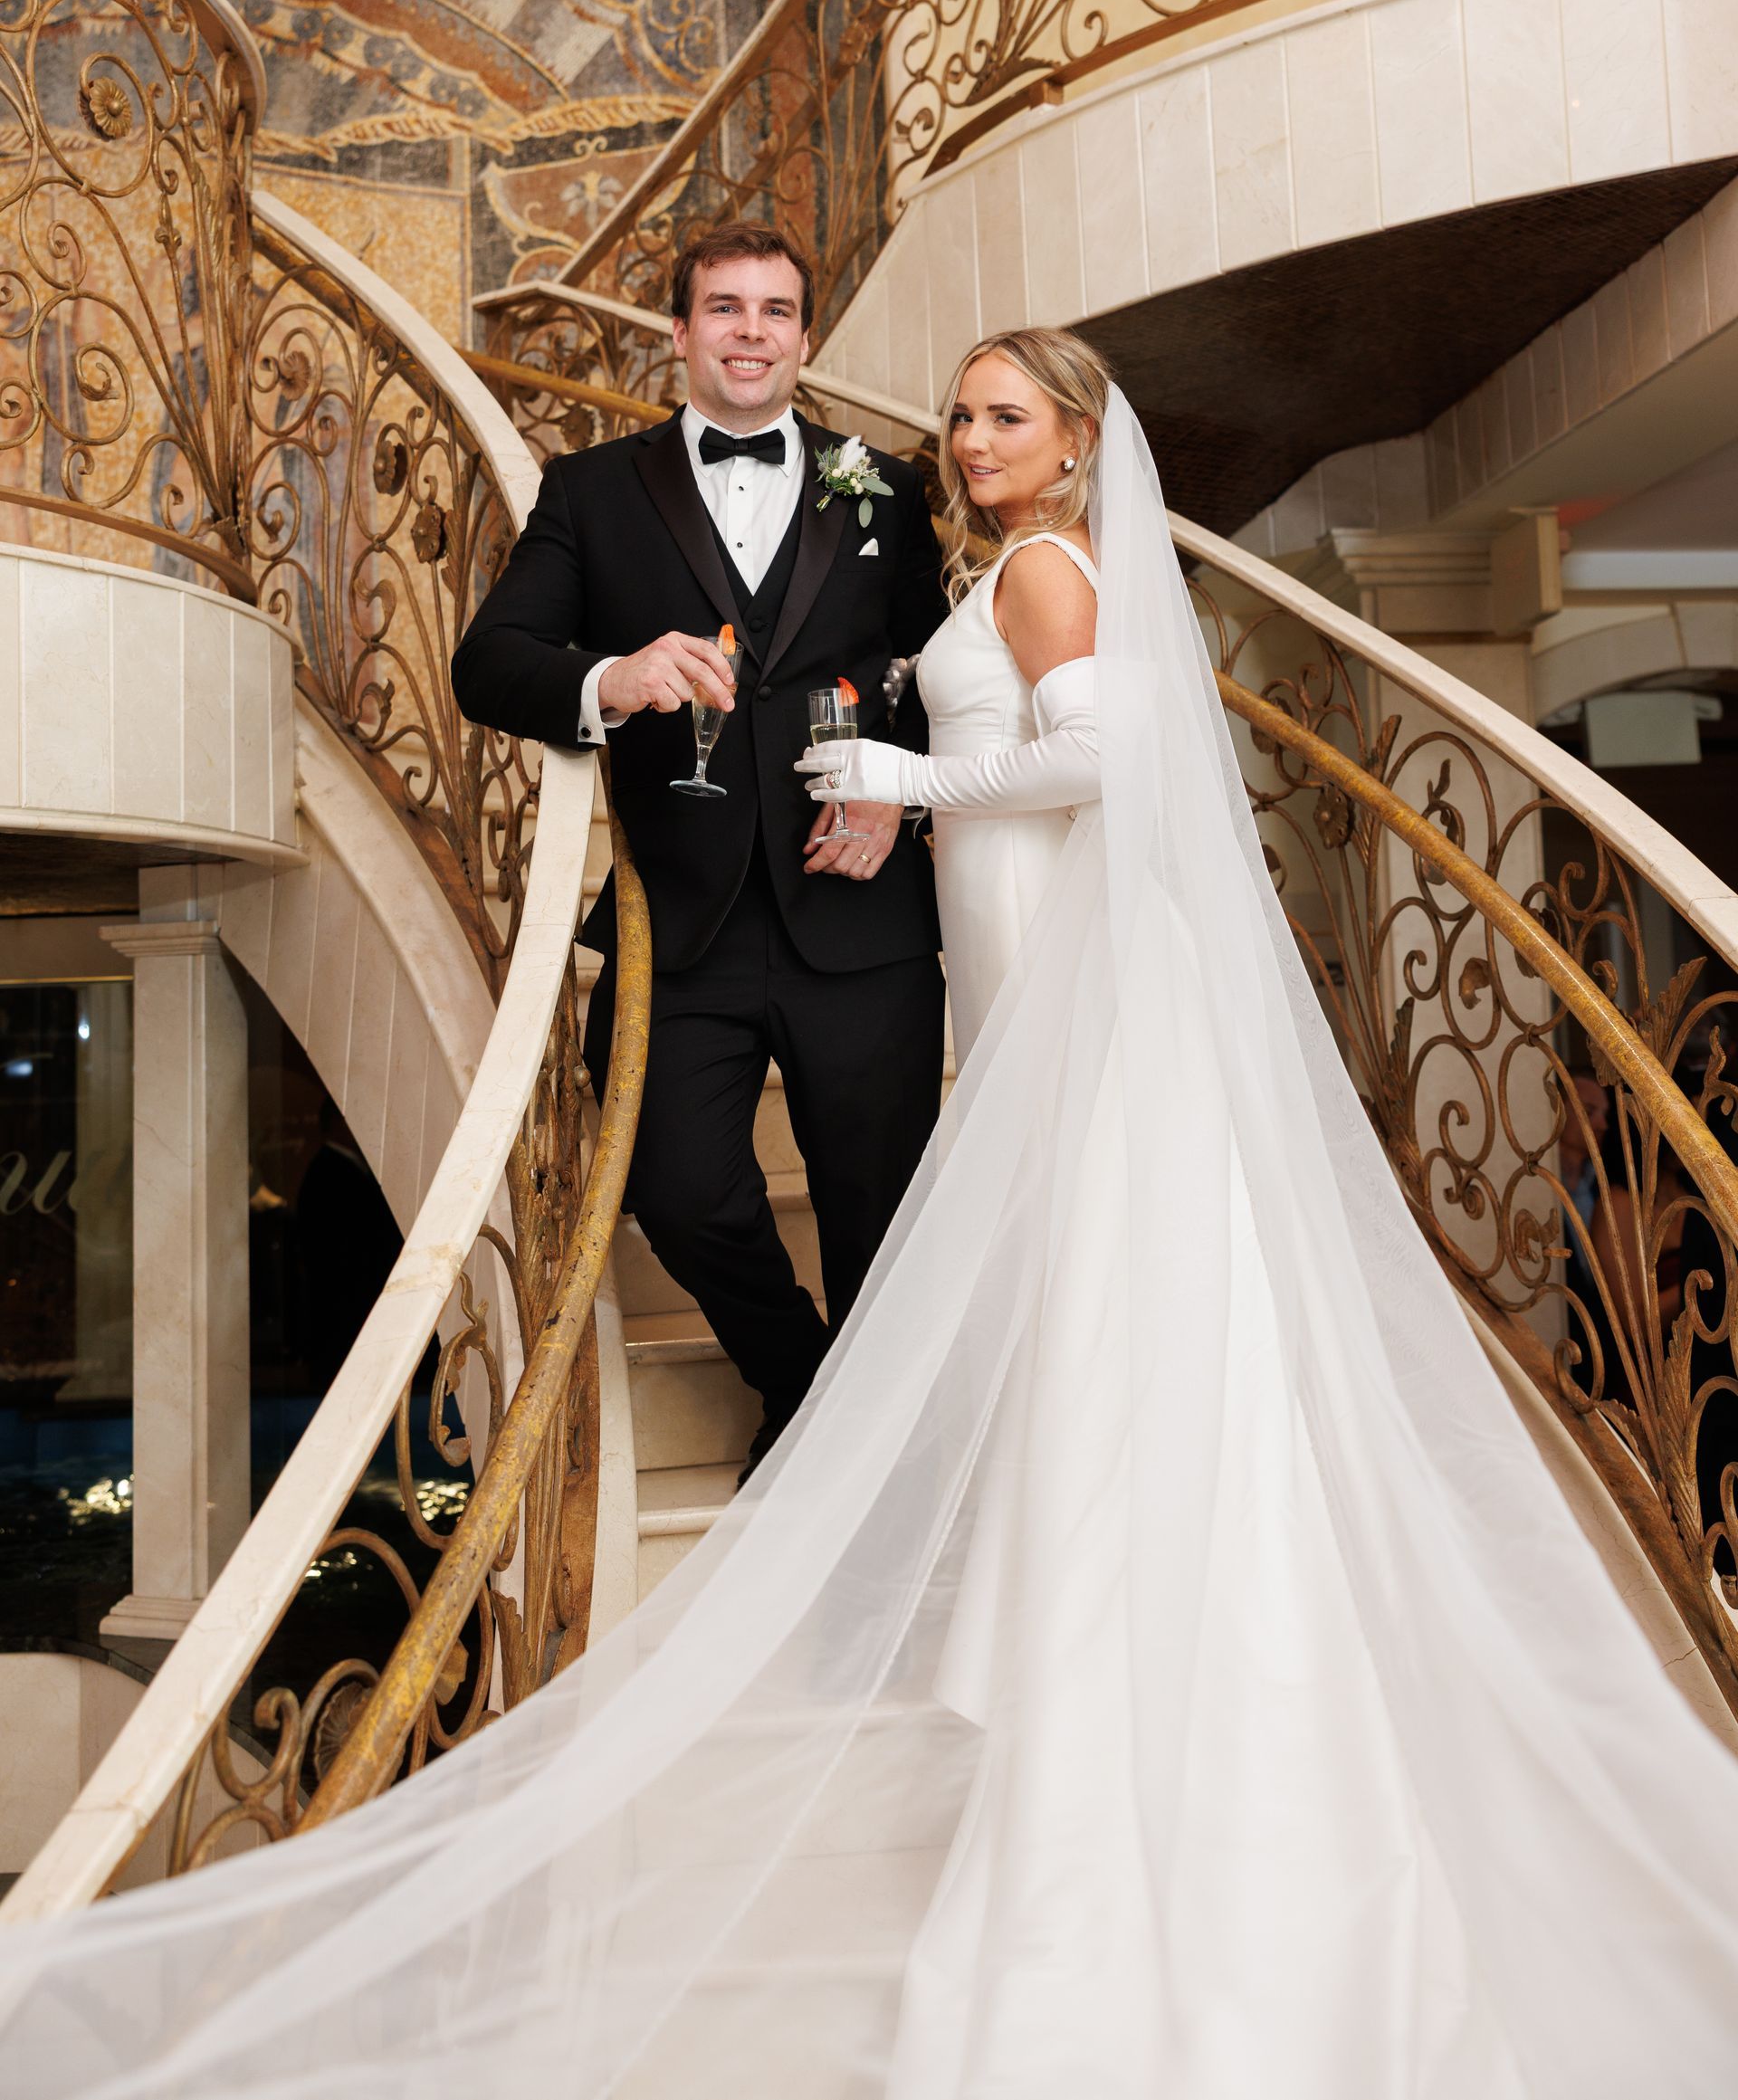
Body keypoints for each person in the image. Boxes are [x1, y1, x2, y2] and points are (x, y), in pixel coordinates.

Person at [15, 338, 1738, 2100]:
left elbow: (1108, 772)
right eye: (968, 415)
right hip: (1023, 996)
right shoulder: (998, 574)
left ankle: (1169, 1687)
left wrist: (913, 793)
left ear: (1075, 445)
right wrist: (887, 804)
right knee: (1074, 1343)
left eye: (1007, 416)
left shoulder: (1058, 574)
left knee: (1117, 1329)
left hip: (1097, 1020)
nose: (974, 441)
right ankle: (1077, 1634)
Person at [450, 221, 947, 1476]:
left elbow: (944, 674)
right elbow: (487, 664)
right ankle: (804, 1375)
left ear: (804, 335)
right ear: (679, 332)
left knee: (880, 1217)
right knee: (675, 1186)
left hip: (862, 911)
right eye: (723, 309)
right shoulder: (593, 492)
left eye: (775, 311)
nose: (749, 333)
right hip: (681, 923)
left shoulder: (882, 483)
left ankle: (876, 1477)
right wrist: (614, 675)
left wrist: (904, 794)